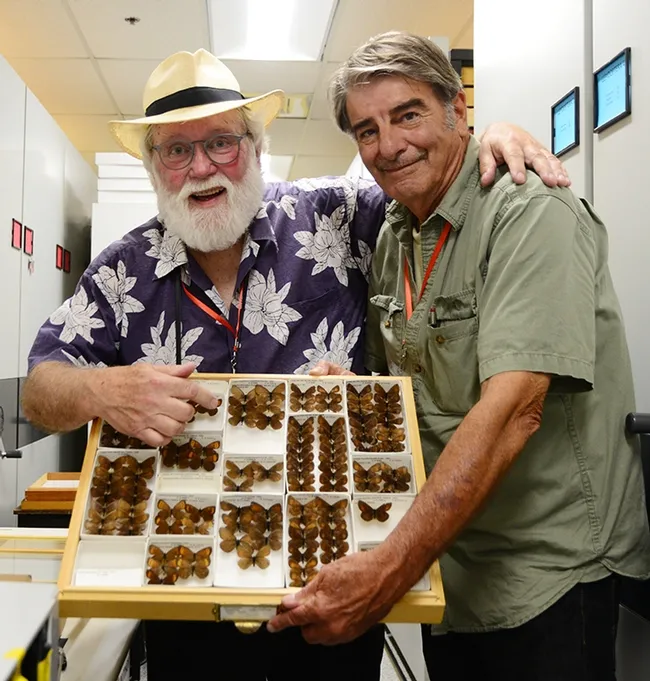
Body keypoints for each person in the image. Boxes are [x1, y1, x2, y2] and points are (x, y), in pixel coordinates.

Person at [22, 47, 567, 681]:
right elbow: (39, 389)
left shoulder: (335, 215)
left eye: (221, 143)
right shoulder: (121, 270)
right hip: (181, 593)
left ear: (254, 147)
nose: (201, 168)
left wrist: (490, 138)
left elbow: (420, 168)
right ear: (153, 166)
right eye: (176, 150)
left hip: (332, 585)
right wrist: (103, 389)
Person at [267, 30, 650, 681]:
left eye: (407, 114)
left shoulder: (528, 211)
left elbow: (512, 412)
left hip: (547, 578)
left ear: (457, 109)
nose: (388, 145)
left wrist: (388, 568)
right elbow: (423, 390)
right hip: (456, 576)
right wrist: (361, 396)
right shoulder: (395, 234)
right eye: (367, 130)